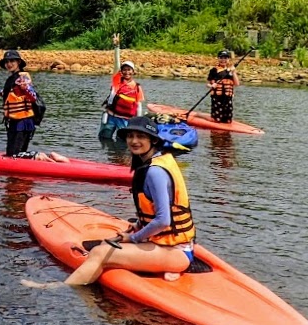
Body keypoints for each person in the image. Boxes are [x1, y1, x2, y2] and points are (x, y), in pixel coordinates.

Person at [24, 116, 195, 288]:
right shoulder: (155, 162)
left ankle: (58, 288)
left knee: (100, 252)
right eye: (130, 136)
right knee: (107, 243)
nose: (134, 141)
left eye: (141, 136)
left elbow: (163, 220)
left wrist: (134, 238)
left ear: (153, 140)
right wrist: (136, 227)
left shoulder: (155, 172)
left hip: (176, 252)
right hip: (167, 245)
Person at [0, 51, 39, 156]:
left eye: (12, 61)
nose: (9, 64)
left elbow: (33, 97)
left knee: (16, 154)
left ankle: (38, 157)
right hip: (13, 122)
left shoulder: (22, 77)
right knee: (11, 153)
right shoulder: (11, 79)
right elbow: (8, 96)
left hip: (23, 122)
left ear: (18, 62)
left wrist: (26, 89)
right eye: (7, 61)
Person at [99, 33, 145, 139]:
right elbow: (116, 63)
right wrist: (116, 47)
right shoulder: (117, 81)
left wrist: (138, 122)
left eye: (129, 69)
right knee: (104, 139)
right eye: (124, 69)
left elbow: (138, 106)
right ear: (121, 71)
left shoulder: (137, 87)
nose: (126, 72)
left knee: (122, 143)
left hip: (125, 120)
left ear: (133, 72)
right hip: (110, 117)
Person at [207, 49, 240, 123]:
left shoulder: (231, 70)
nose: (223, 60)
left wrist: (233, 72)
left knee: (228, 119)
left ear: (228, 59)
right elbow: (207, 84)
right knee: (217, 119)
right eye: (221, 58)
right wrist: (212, 85)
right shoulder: (214, 70)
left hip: (228, 98)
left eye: (225, 58)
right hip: (217, 97)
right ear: (218, 58)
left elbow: (237, 84)